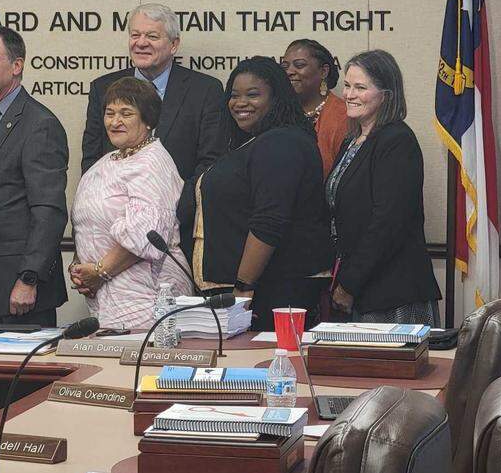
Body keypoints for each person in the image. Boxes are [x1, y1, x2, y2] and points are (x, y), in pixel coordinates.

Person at [176, 56, 333, 330]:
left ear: (277, 98)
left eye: (253, 95)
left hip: (269, 294)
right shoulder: (253, 143)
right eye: (234, 95)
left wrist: (244, 286)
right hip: (247, 294)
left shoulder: (282, 143)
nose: (240, 103)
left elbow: (269, 220)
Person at [0, 26, 68, 325]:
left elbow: (48, 210)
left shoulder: (40, 124)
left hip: (20, 292)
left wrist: (29, 278)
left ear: (17, 65)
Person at [328, 50, 441, 325]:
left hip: (393, 293)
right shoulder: (352, 140)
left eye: (360, 87)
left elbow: (388, 222)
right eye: (347, 85)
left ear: (386, 95)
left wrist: (349, 284)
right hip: (362, 286)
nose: (349, 94)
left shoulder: (397, 140)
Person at [70, 77, 193, 329]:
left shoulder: (152, 162)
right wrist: (79, 268)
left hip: (148, 301)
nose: (115, 122)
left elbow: (144, 236)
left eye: (126, 113)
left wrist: (99, 271)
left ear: (147, 120)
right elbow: (89, 223)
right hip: (106, 300)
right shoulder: (106, 162)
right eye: (109, 113)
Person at [82, 3, 226, 181]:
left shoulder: (205, 90)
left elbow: (210, 163)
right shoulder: (102, 88)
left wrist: (177, 204)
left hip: (179, 204)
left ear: (174, 45)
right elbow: (92, 160)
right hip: (114, 205)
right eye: (135, 35)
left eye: (152, 36)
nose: (141, 43)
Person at [282, 38, 348, 177]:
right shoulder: (280, 114)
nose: (289, 72)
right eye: (285, 66)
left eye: (299, 65)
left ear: (324, 71)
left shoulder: (343, 116)